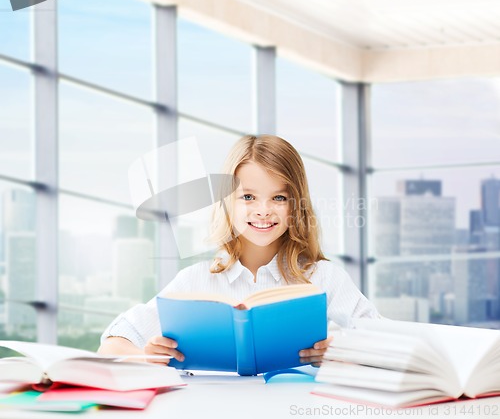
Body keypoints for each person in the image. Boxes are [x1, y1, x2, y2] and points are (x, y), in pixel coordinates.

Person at [99, 135, 379, 366]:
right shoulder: (194, 281)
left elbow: (389, 343)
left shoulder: (325, 279)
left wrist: (345, 351)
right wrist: (146, 358)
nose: (263, 210)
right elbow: (113, 344)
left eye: (279, 197)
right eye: (248, 197)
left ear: (296, 205)